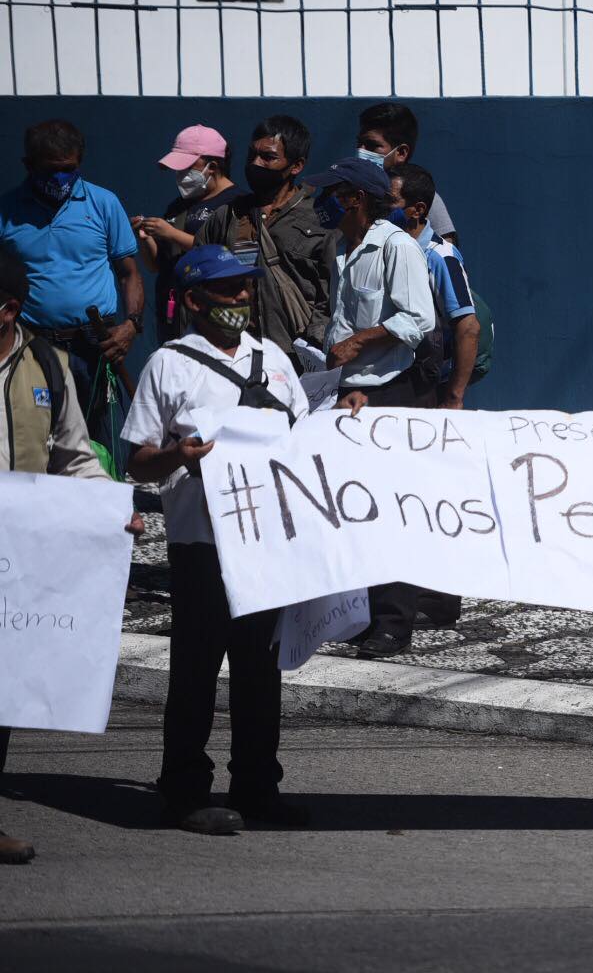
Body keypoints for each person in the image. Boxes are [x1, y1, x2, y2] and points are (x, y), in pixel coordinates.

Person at [123, 245, 360, 835]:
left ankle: (257, 787)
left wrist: (346, 413)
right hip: (202, 544)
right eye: (228, 290)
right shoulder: (169, 365)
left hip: (266, 542)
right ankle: (183, 791)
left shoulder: (273, 358)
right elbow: (138, 461)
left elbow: (304, 436)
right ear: (195, 300)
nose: (241, 299)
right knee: (196, 671)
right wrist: (181, 455)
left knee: (260, 670)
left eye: (246, 288)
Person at [0, 252, 143, 864]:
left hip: (16, 558)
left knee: (0, 697)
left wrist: (111, 512)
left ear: (7, 310)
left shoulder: (47, 365)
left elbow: (75, 456)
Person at [307, 157, 437, 658]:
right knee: (353, 506)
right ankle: (358, 612)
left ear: (355, 197)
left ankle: (393, 623)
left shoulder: (397, 246)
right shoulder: (343, 246)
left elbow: (418, 319)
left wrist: (362, 340)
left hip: (386, 391)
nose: (322, 202)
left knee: (389, 509)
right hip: (345, 390)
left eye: (331, 192)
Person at [0, 119, 144, 452]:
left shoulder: (104, 203)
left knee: (97, 443)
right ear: (28, 165)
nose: (60, 178)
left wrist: (131, 326)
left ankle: (104, 502)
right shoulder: (7, 211)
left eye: (70, 169)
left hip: (96, 343)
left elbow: (129, 272)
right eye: (51, 170)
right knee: (35, 435)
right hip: (32, 344)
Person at [192, 115, 337, 357]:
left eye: (268, 157)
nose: (255, 164)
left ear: (296, 166)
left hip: (296, 355)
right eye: (252, 155)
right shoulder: (228, 215)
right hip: (236, 351)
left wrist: (314, 342)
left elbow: (332, 290)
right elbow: (200, 273)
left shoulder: (318, 219)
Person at [134, 125, 237, 341]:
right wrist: (146, 239)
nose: (179, 175)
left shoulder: (236, 203)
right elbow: (155, 265)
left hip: (211, 318)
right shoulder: (178, 206)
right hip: (172, 317)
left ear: (212, 166)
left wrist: (171, 233)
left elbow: (227, 256)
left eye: (185, 168)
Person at [389, 163, 480, 409]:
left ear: (417, 210)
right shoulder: (386, 249)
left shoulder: (440, 257)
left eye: (390, 201)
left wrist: (454, 397)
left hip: (424, 387)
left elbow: (468, 328)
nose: (380, 208)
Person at [356, 102, 460, 248]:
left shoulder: (424, 198)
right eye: (359, 143)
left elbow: (446, 254)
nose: (361, 151)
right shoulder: (354, 194)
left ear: (401, 153)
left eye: (372, 145)